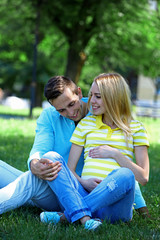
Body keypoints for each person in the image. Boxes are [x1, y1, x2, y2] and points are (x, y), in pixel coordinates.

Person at [0, 75, 149, 220]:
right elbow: (40, 148)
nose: (70, 113)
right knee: (29, 176)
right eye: (61, 110)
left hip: (90, 194)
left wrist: (141, 207)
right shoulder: (50, 116)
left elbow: (124, 171)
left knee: (30, 182)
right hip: (61, 187)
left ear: (79, 92)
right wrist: (34, 163)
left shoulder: (101, 113)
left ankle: (66, 214)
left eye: (72, 104)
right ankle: (31, 197)